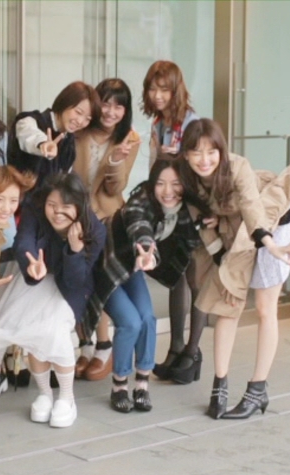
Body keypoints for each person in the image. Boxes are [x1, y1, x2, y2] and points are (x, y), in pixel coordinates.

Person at [178, 118, 290, 419]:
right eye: (196, 152)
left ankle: (258, 389)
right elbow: (203, 226)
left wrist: (271, 245)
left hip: (273, 226)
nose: (204, 159)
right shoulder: (188, 181)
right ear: (186, 154)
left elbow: (253, 209)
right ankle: (219, 387)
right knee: (227, 304)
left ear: (221, 150)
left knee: (265, 309)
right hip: (234, 233)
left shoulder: (237, 166)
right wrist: (222, 266)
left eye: (211, 151)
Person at [86, 159, 205, 413]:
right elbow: (139, 225)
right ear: (152, 184)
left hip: (133, 267)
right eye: (160, 183)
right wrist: (147, 250)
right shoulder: (141, 200)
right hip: (106, 266)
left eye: (175, 183)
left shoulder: (185, 209)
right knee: (130, 322)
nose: (167, 191)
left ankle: (141, 384)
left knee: (148, 319)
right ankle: (119, 385)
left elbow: (194, 234)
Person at [0, 173, 105, 428]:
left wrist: (74, 250)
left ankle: (67, 398)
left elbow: (76, 281)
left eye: (66, 207)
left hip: (71, 289)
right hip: (37, 276)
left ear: (79, 206)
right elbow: (23, 241)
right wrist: (31, 264)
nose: (57, 213)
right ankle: (44, 394)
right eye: (52, 205)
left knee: (52, 331)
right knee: (28, 326)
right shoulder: (35, 207)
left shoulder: (94, 230)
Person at [141, 60, 206, 382]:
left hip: (192, 208)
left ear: (175, 90)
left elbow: (202, 165)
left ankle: (192, 352)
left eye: (164, 89)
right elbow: (156, 167)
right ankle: (176, 347)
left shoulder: (191, 122)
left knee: (195, 279)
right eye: (153, 89)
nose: (158, 95)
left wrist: (175, 157)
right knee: (174, 275)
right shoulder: (158, 123)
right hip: (170, 206)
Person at [72, 78, 141, 382]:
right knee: (77, 280)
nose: (111, 111)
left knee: (99, 281)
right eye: (106, 103)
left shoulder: (129, 139)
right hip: (76, 215)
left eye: (119, 106)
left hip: (107, 218)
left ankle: (103, 346)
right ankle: (85, 346)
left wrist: (114, 161)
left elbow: (115, 187)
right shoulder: (80, 130)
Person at [9, 81, 101, 194]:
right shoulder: (30, 121)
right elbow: (29, 136)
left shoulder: (69, 141)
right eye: (78, 112)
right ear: (65, 102)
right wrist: (43, 144)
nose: (80, 121)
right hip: (18, 200)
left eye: (88, 119)